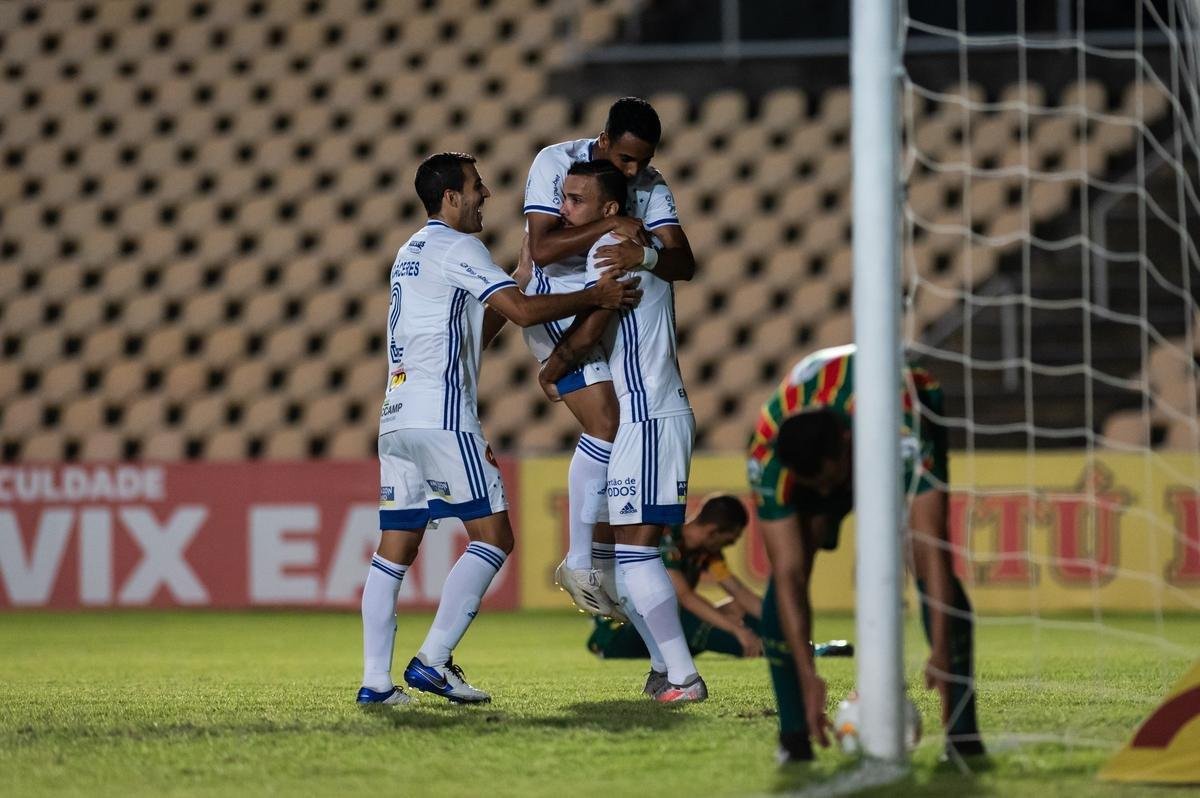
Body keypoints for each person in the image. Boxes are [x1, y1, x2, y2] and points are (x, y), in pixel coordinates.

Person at [356, 152, 640, 706]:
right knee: (495, 538)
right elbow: (528, 313)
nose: (485, 195)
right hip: (442, 416)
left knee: (396, 545)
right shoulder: (460, 247)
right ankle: (433, 662)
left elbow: (478, 331)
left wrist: (515, 280)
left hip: (396, 416)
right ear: (451, 197)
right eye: (476, 187)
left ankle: (375, 683)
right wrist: (594, 295)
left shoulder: (410, 251)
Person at [747, 344, 985, 762]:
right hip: (834, 434)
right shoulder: (767, 452)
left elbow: (933, 549)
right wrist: (809, 676)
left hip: (905, 406)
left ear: (846, 446)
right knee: (795, 560)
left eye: (828, 482)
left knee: (918, 549)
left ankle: (962, 733)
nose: (824, 494)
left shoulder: (904, 427)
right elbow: (789, 575)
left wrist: (942, 651)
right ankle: (794, 735)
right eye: (813, 487)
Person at [517, 97, 696, 620]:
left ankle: (601, 565)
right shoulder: (556, 162)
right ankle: (579, 560)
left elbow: (682, 261)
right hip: (562, 304)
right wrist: (614, 225)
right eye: (626, 159)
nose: (635, 171)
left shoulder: (652, 185)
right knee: (609, 422)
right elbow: (544, 249)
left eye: (643, 160)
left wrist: (645, 252)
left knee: (619, 436)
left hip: (607, 305)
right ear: (604, 141)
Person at [538, 159, 705, 702]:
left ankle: (683, 677)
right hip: (644, 417)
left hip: (652, 414)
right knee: (629, 558)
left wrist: (555, 367)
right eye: (562, 198)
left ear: (610, 208)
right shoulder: (627, 241)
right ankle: (666, 669)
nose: (564, 209)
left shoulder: (611, 250)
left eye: (576, 200)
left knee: (636, 557)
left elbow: (592, 326)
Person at [588, 494, 765, 664]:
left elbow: (738, 592)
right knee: (671, 608)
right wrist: (738, 630)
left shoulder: (706, 552)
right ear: (712, 532)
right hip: (620, 633)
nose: (726, 547)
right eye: (727, 542)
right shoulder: (662, 538)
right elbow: (684, 597)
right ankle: (761, 648)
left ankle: (774, 641)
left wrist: (777, 620)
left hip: (663, 633)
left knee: (737, 607)